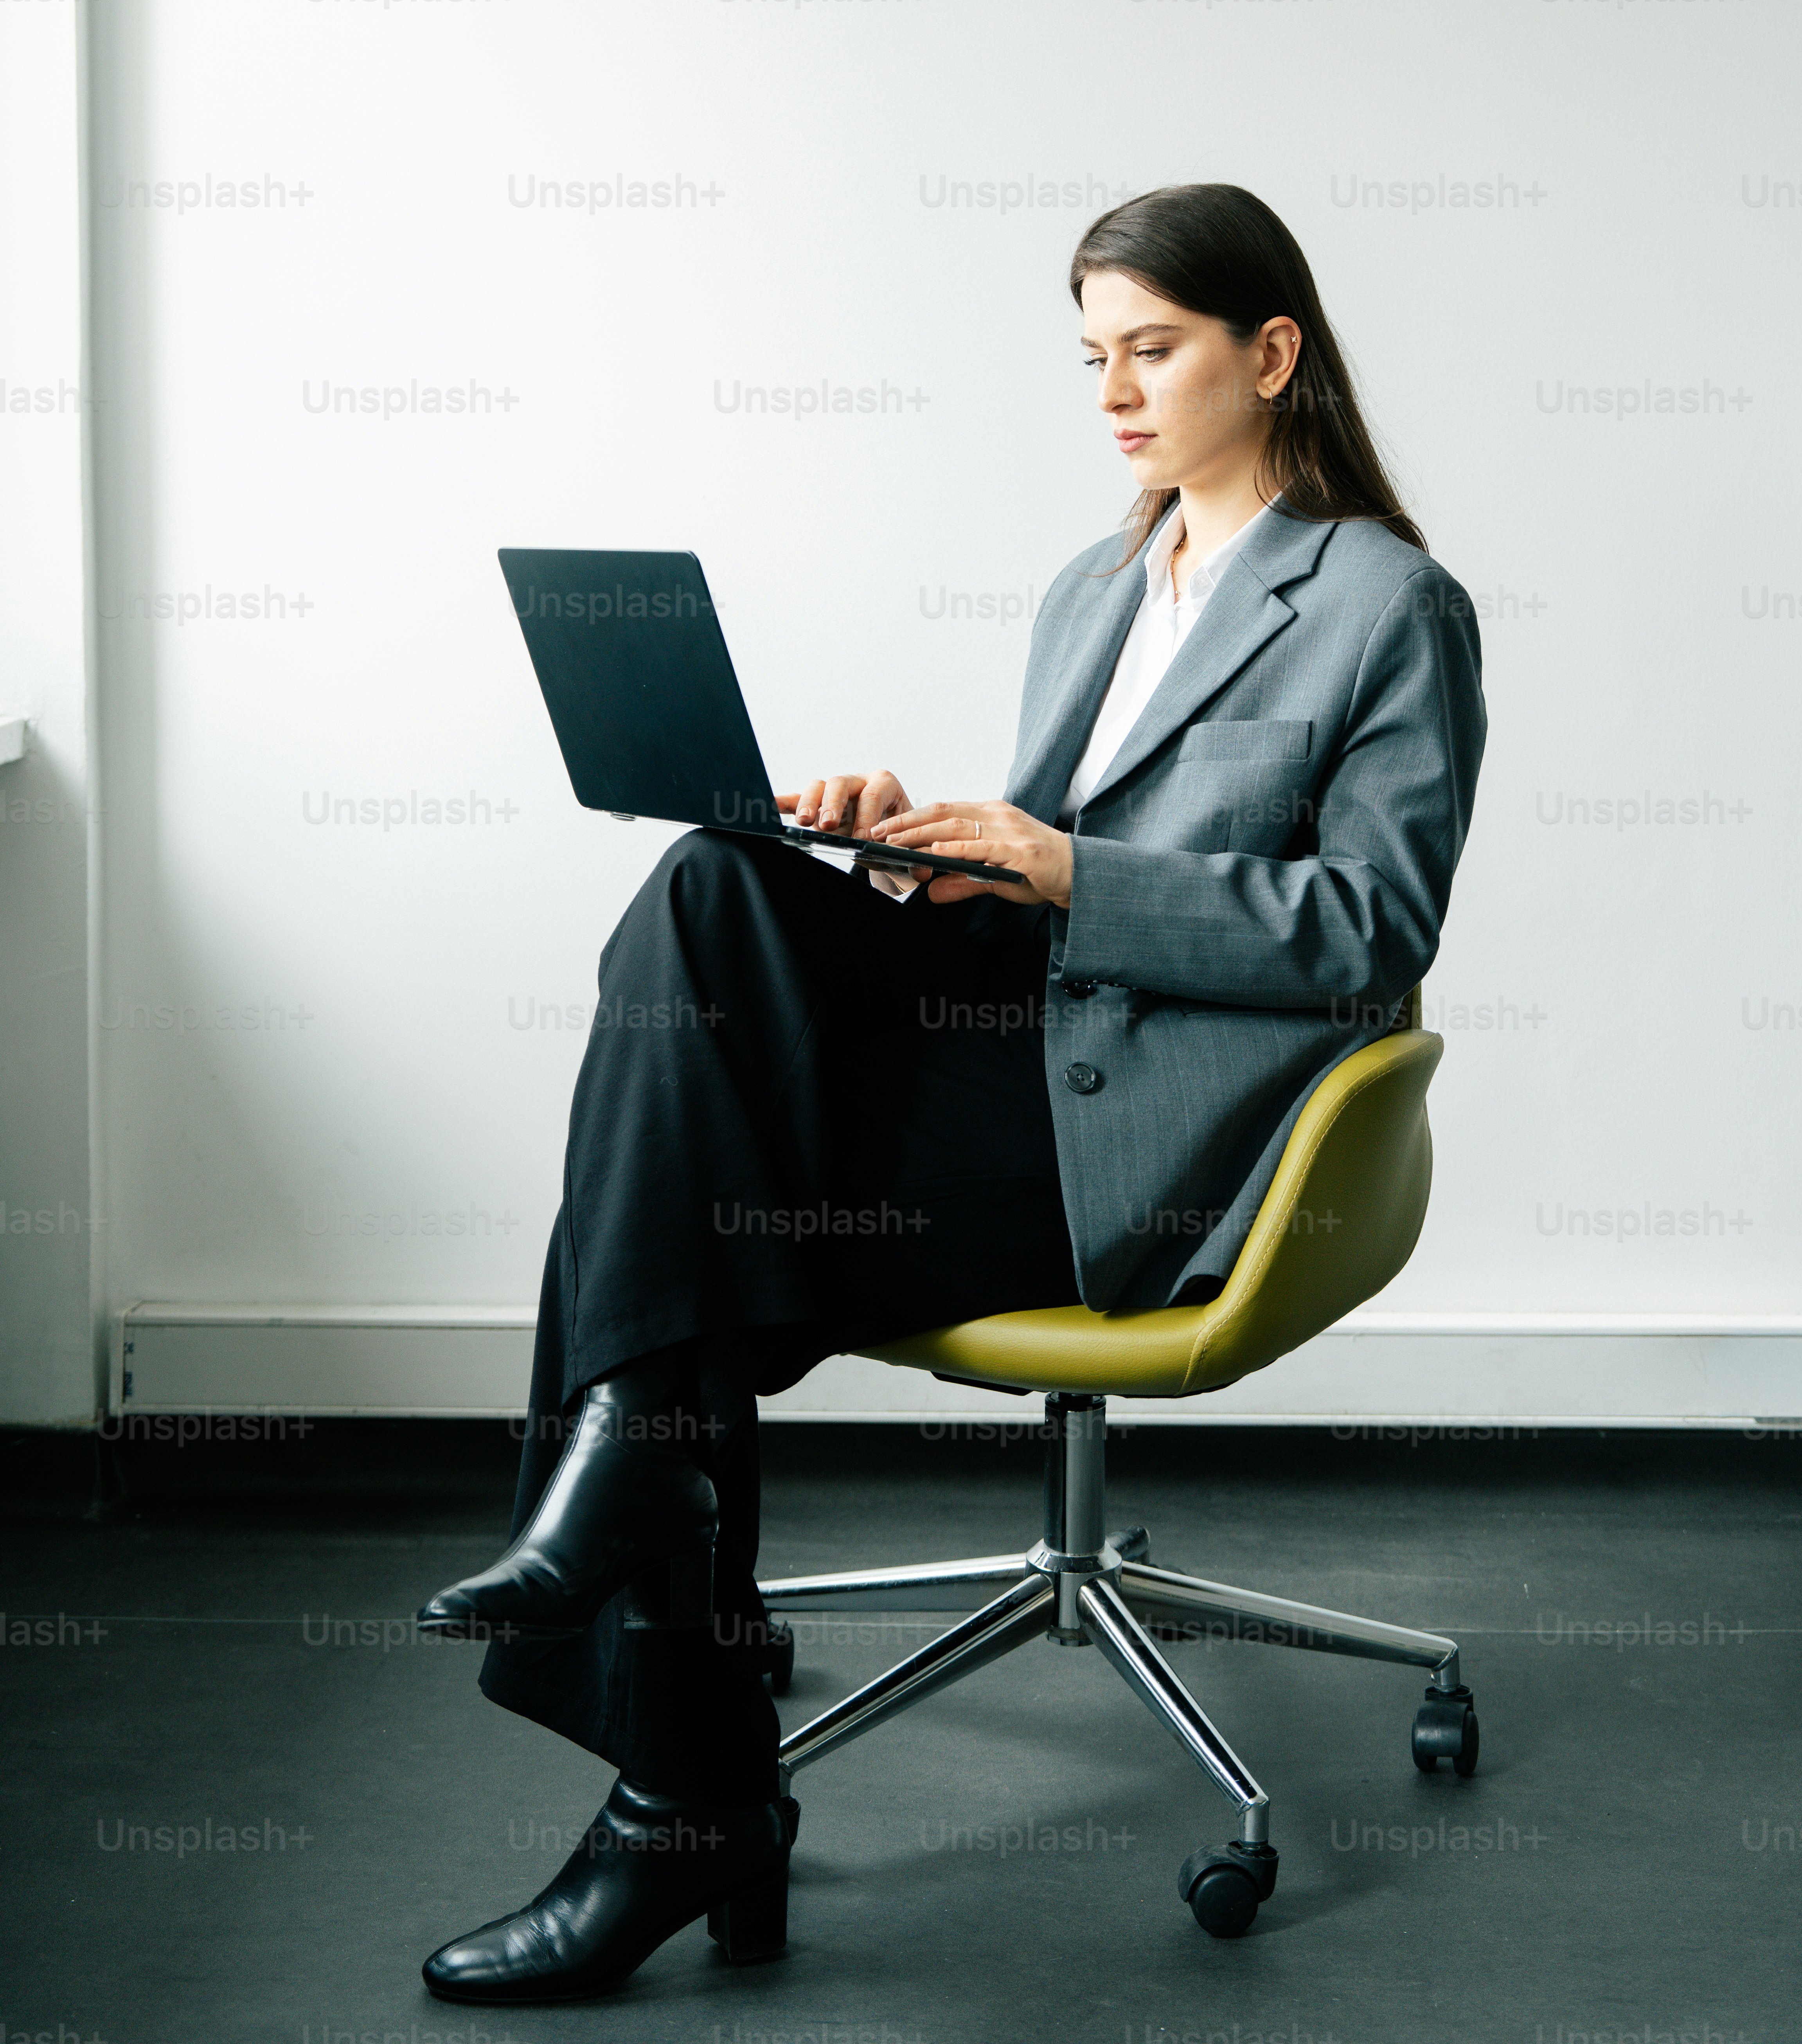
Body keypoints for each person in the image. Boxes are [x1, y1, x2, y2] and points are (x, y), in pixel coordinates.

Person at [415, 182, 1488, 2002]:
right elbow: (1051, 867)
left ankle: (675, 1770)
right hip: (1019, 1042)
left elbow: (1367, 930)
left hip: (1168, 1130)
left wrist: (1061, 872)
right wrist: (941, 859)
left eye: (1151, 350)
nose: (1114, 396)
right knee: (716, 889)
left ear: (1270, 353)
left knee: (681, 1220)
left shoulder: (1389, 605)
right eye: (1093, 358)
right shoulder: (1095, 584)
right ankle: (652, 1573)